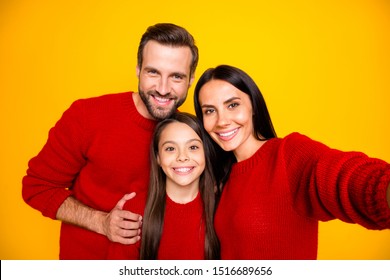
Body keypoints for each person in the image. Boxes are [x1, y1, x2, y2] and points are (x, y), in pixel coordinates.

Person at [22, 23, 199, 259]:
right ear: (138, 69)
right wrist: (101, 222)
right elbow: (36, 187)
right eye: (153, 72)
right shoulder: (87, 116)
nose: (163, 89)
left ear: (191, 79)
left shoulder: (193, 136)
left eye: (176, 76)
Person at [193, 64, 390, 259]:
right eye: (210, 111)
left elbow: (344, 178)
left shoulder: (287, 155)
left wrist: (381, 187)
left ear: (253, 105)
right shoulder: (222, 179)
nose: (222, 121)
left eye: (232, 105)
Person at [107, 112, 220, 259]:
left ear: (205, 153)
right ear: (158, 158)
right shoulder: (134, 211)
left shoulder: (221, 207)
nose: (182, 157)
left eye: (193, 147)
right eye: (170, 149)